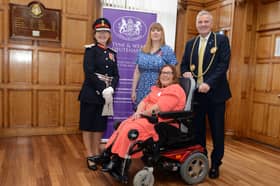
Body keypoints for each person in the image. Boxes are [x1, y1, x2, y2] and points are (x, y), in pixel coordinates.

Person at [101, 64, 186, 179]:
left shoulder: (175, 90)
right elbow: (144, 101)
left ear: (174, 76)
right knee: (124, 124)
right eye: (162, 73)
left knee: (130, 129)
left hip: (163, 122)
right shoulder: (157, 89)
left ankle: (121, 165)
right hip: (148, 118)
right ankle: (112, 157)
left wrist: (141, 114)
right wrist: (139, 112)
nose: (164, 75)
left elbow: (159, 108)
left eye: (168, 73)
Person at [180, 10, 231, 179]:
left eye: (206, 21)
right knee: (198, 130)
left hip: (216, 94)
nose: (203, 24)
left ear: (211, 23)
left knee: (217, 131)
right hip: (197, 96)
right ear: (196, 24)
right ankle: (201, 159)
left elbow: (223, 64)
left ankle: (216, 163)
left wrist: (209, 83)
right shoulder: (190, 43)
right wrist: (186, 72)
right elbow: (184, 65)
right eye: (200, 22)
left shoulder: (221, 40)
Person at [78, 17, 119, 171]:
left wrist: (112, 88)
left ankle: (96, 152)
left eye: (105, 32)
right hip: (91, 93)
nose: (102, 35)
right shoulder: (90, 50)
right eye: (99, 32)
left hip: (106, 96)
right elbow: (89, 72)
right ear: (95, 34)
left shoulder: (112, 53)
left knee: (99, 126)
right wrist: (103, 88)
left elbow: (116, 75)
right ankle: (90, 155)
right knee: (88, 125)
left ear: (109, 35)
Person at [131, 22, 178, 109]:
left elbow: (173, 72)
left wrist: (168, 90)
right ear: (150, 33)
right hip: (142, 88)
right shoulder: (142, 50)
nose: (155, 32)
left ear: (162, 33)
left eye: (158, 30)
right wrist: (133, 91)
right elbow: (137, 72)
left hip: (159, 88)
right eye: (153, 30)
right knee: (140, 114)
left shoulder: (167, 50)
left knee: (154, 115)